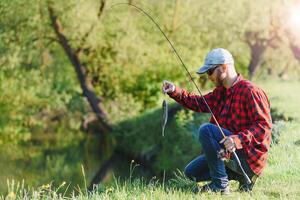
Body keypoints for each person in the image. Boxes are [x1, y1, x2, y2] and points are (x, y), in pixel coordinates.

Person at [162, 48, 272, 195]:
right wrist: (174, 90)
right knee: (191, 172)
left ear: (224, 67)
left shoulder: (251, 91)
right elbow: (198, 103)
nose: (209, 77)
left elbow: (263, 126)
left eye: (210, 72)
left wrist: (237, 139)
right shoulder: (220, 93)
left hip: (249, 159)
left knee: (206, 130)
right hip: (228, 155)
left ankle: (220, 185)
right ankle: (238, 178)